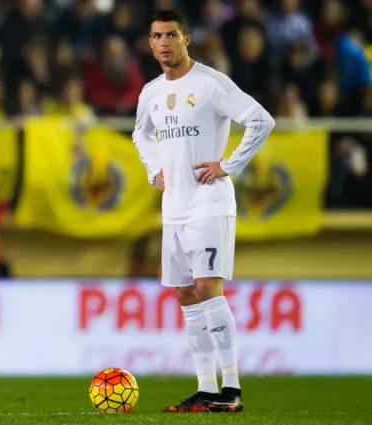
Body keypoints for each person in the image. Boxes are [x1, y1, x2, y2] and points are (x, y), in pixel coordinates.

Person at [132, 10, 275, 413]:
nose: (163, 42)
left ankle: (232, 390)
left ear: (187, 39)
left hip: (209, 204)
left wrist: (228, 165)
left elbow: (260, 120)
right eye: (156, 35)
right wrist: (152, 169)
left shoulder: (211, 83)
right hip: (173, 208)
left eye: (171, 35)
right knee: (185, 294)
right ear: (150, 43)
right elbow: (140, 134)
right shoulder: (150, 92)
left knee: (208, 288)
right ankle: (206, 390)